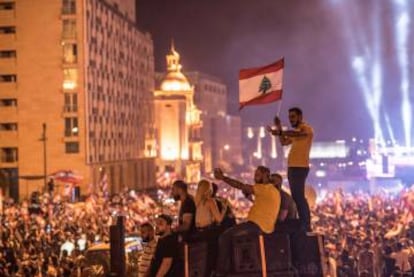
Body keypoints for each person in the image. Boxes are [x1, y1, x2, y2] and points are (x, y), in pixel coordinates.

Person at [212, 166, 281, 276]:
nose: (255, 177)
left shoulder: (264, 188)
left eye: (257, 175)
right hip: (262, 226)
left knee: (224, 237)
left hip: (256, 225)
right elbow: (263, 205)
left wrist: (222, 178)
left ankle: (221, 272)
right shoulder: (272, 190)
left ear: (265, 175)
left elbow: (240, 186)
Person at [267, 107, 314, 232]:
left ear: (300, 117)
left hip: (300, 167)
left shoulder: (306, 129)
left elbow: (298, 134)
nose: (291, 119)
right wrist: (279, 127)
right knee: (296, 196)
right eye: (289, 117)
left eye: (293, 116)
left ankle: (306, 224)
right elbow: (283, 142)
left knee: (298, 197)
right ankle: (303, 222)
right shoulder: (295, 132)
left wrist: (279, 132)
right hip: (293, 167)